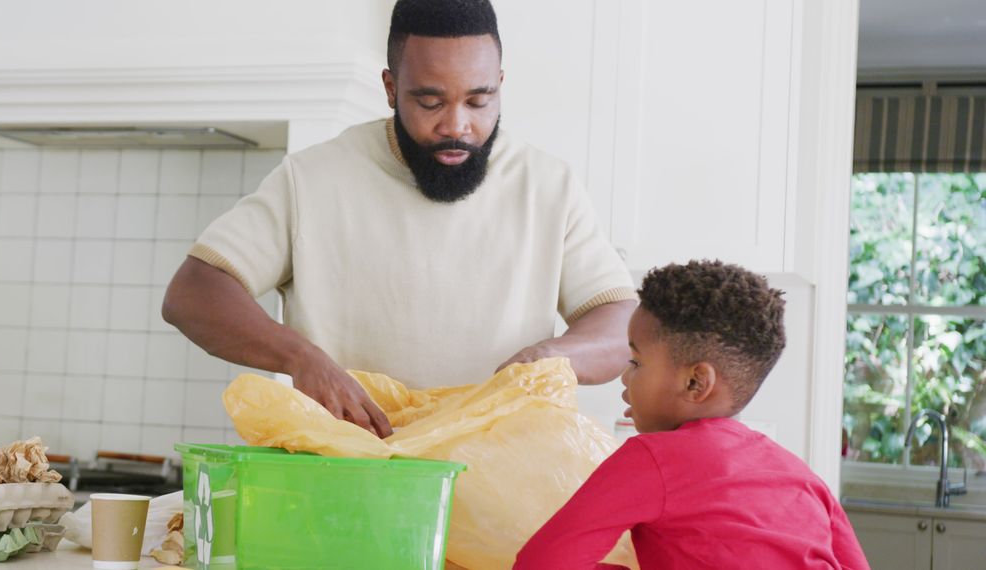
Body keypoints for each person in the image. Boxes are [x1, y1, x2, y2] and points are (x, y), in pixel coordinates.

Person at [162, 0, 636, 439]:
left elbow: (619, 321)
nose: (456, 125)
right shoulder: (312, 179)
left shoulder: (549, 186)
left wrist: (551, 356)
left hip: (501, 476)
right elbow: (194, 292)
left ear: (500, 86)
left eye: (478, 101)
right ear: (391, 89)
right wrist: (300, 357)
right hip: (349, 475)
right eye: (430, 102)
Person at [514, 260, 869, 569]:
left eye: (636, 361)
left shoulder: (651, 458)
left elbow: (540, 563)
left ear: (696, 382)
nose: (624, 375)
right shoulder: (801, 475)